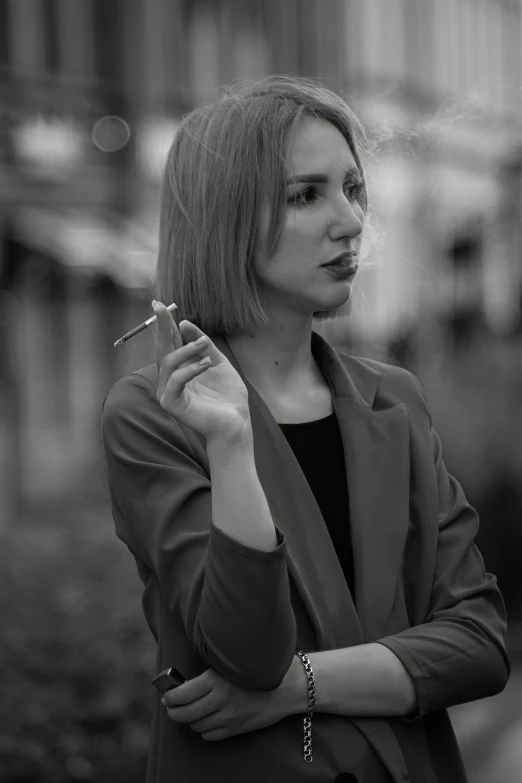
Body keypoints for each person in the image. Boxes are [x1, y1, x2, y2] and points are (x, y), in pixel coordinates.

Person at [100, 75, 510, 783]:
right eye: (306, 195)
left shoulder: (395, 399)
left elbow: (478, 643)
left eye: (353, 189)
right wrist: (230, 444)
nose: (351, 220)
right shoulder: (153, 414)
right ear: (225, 219)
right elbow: (247, 653)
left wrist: (301, 684)